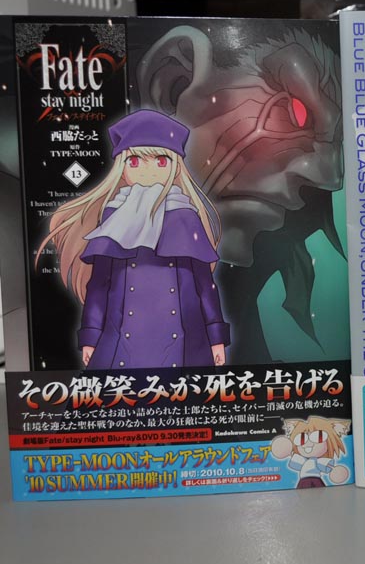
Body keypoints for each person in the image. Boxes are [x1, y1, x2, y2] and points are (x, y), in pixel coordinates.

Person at [36, 109, 229, 369]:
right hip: (121, 339)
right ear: (122, 166)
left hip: (183, 340)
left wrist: (216, 337)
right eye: (135, 161)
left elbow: (205, 285)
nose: (148, 171)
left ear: (175, 166)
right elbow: (99, 285)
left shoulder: (186, 216)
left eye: (160, 161)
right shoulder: (113, 217)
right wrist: (91, 336)